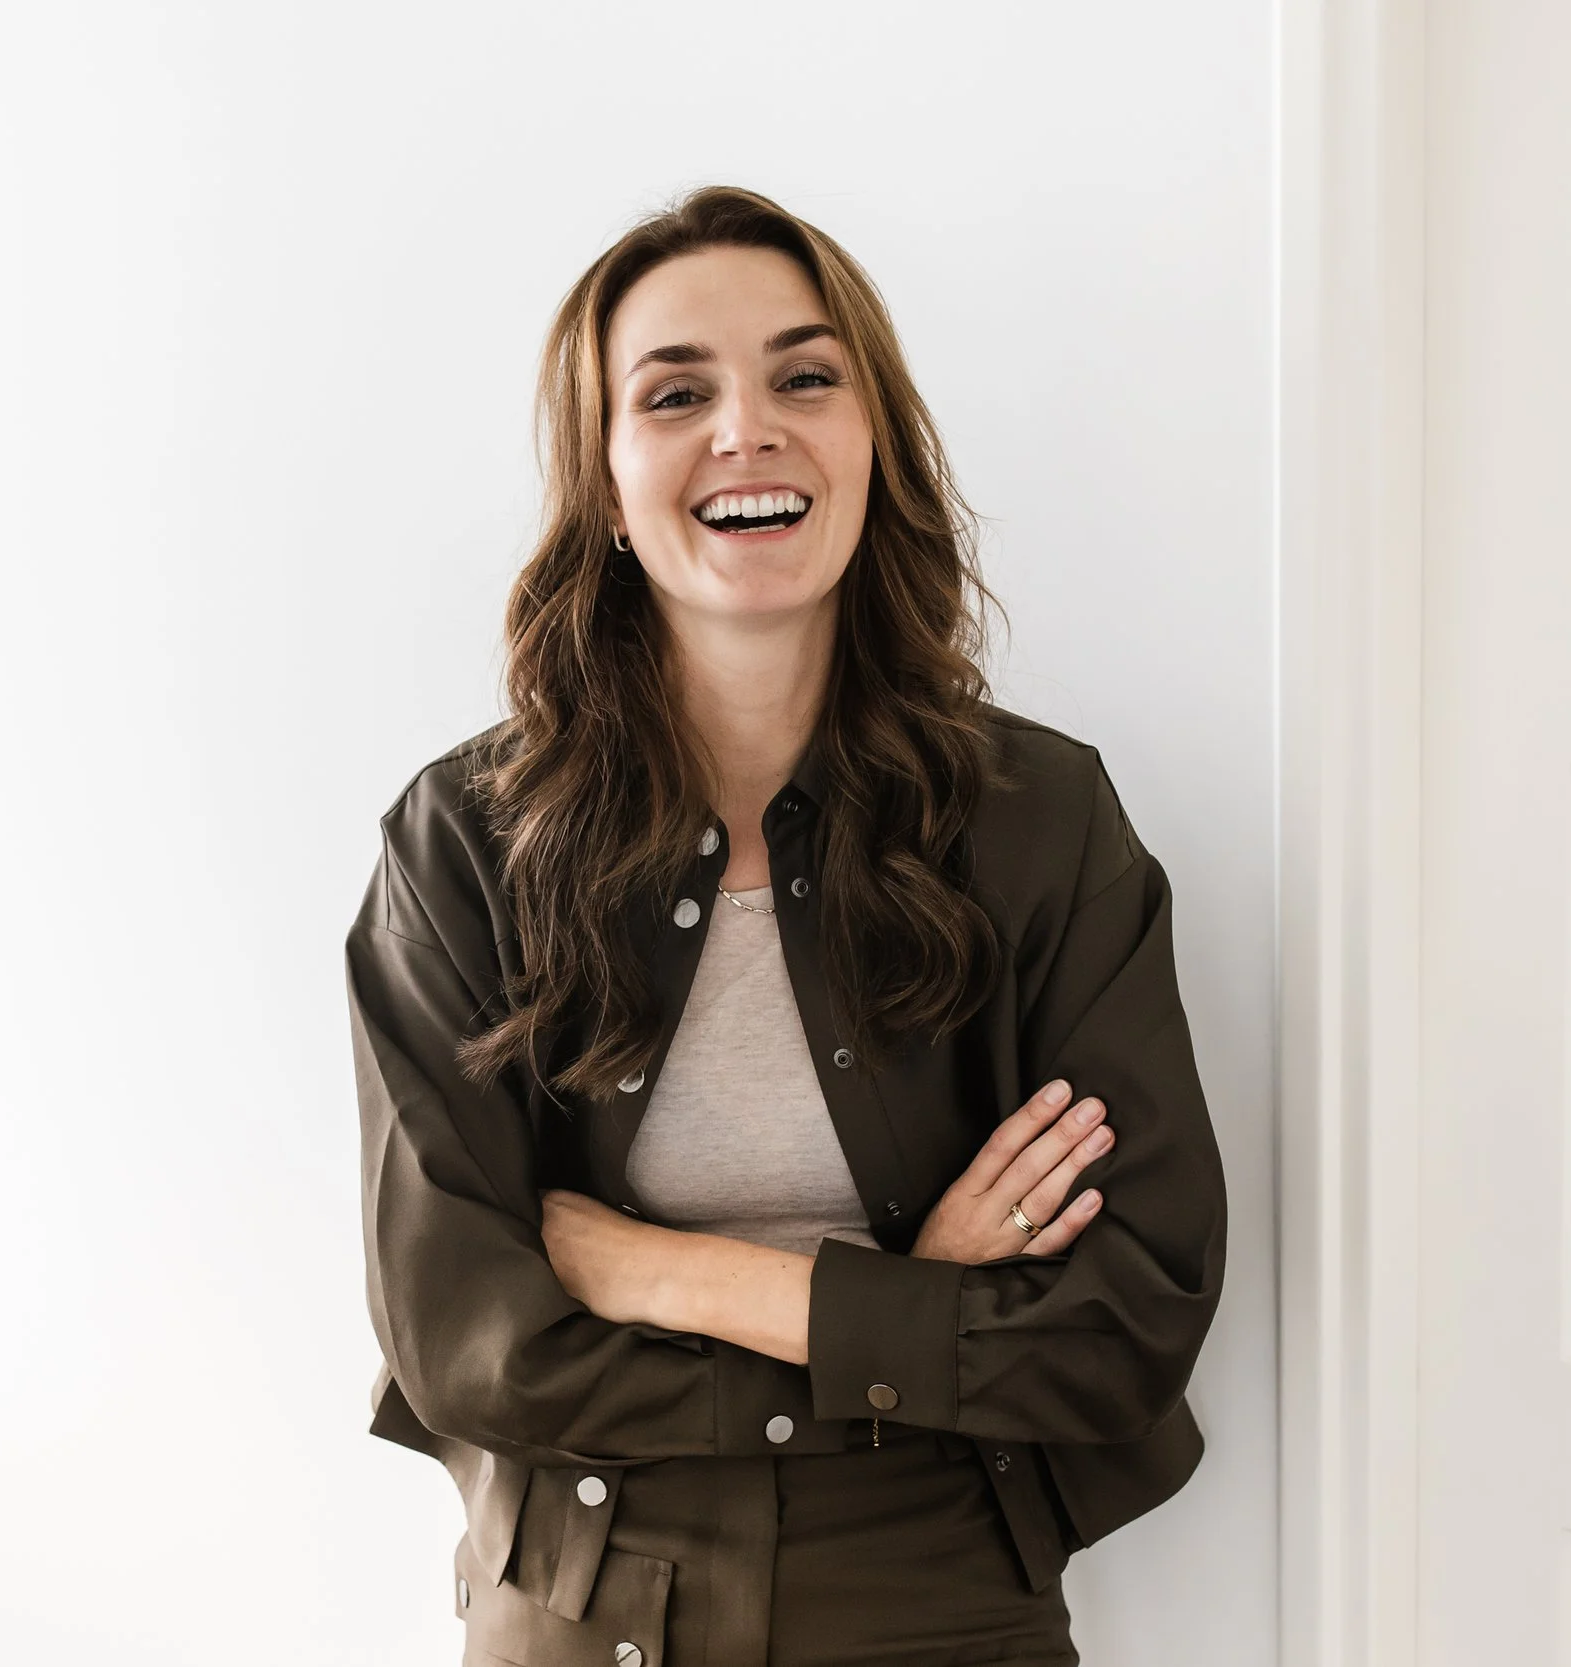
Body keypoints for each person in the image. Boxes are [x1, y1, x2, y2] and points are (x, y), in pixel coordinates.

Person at [346, 184, 1227, 1667]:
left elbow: (1127, 1314)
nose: (745, 427)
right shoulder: (465, 842)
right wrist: (908, 1316)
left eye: (803, 377)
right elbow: (463, 1336)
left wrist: (667, 1270)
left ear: (870, 442)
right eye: (676, 391)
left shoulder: (1041, 818)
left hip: (940, 1588)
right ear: (606, 480)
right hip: (587, 1586)